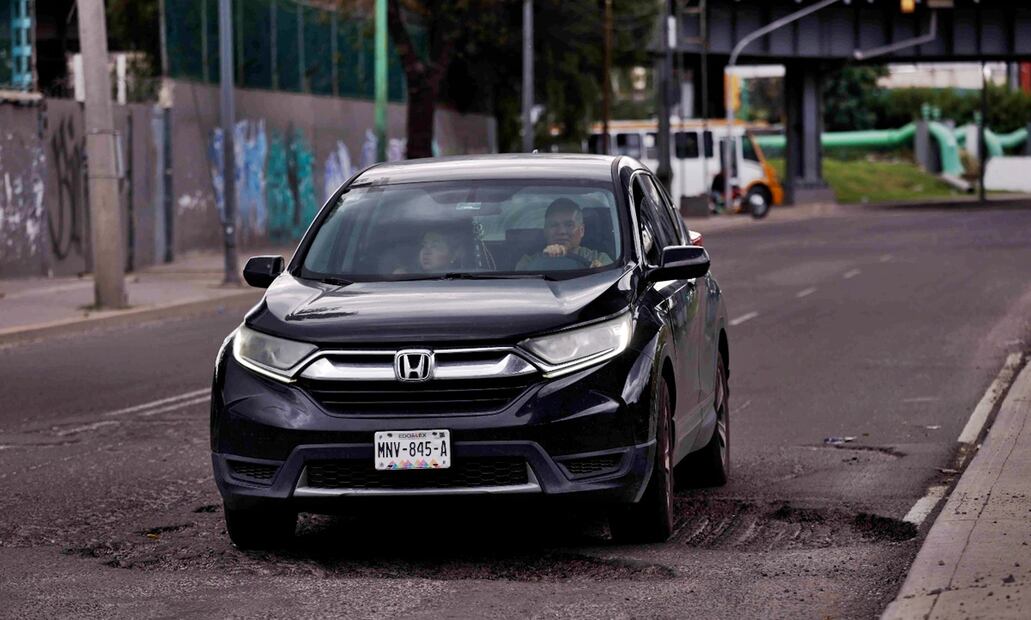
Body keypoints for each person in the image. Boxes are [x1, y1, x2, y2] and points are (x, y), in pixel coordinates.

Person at [515, 198, 612, 270]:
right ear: (545, 231)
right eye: (554, 225)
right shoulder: (528, 262)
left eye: (569, 225)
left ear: (582, 230)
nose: (561, 231)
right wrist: (545, 259)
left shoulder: (600, 259)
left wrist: (598, 272)